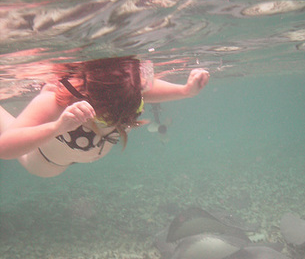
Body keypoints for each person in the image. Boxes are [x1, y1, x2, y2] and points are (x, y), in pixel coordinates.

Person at [0, 56, 209, 177]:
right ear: (90, 98)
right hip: (44, 164)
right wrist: (57, 128)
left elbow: (146, 89)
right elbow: (5, 147)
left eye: (137, 104)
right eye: (106, 118)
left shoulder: (125, 90)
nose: (120, 120)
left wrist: (185, 91)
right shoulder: (56, 100)